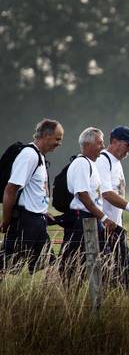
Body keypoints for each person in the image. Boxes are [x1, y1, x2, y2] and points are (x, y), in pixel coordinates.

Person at [1, 119, 64, 278]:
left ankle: (50, 302)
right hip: (24, 223)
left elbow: (33, 191)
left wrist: (43, 212)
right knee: (5, 268)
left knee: (51, 267)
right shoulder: (29, 155)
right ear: (46, 135)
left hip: (37, 222)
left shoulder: (39, 156)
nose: (59, 143)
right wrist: (7, 220)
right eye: (57, 138)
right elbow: (11, 189)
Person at [59, 127, 117, 286]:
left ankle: (97, 300)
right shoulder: (81, 164)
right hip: (81, 221)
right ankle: (70, 304)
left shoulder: (91, 164)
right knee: (72, 267)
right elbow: (84, 196)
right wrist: (104, 218)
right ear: (87, 144)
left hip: (91, 220)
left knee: (103, 263)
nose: (103, 147)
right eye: (99, 143)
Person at [95, 126, 129, 292]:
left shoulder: (116, 163)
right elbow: (107, 193)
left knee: (125, 276)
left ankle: (122, 307)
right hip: (104, 227)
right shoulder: (102, 161)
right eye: (128, 145)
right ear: (114, 142)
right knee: (114, 273)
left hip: (115, 227)